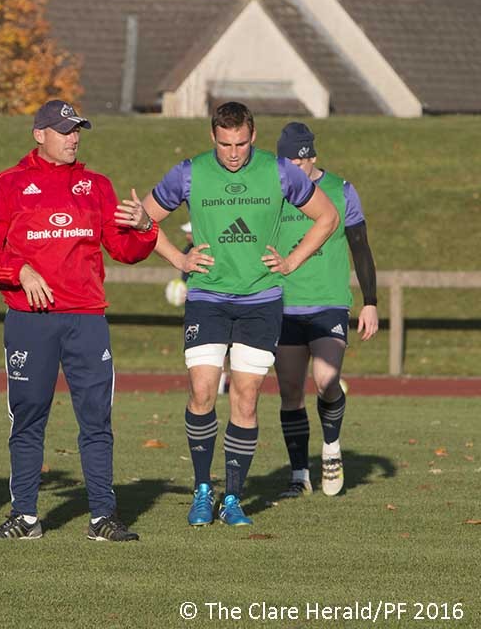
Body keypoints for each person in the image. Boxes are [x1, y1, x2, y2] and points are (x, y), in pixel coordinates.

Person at [142, 101, 339, 527]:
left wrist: (291, 262)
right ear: (212, 137)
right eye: (225, 144)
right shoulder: (189, 173)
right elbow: (144, 219)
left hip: (260, 302)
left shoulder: (279, 171)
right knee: (202, 392)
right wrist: (179, 258)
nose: (233, 153)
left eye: (242, 144)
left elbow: (327, 217)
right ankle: (202, 490)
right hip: (208, 299)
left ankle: (232, 498)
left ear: (254, 137)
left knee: (246, 398)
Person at [0, 99, 158, 541]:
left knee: (96, 419)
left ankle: (102, 517)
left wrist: (145, 226)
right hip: (30, 322)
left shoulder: (96, 186)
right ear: (39, 134)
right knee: (28, 418)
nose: (73, 138)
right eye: (64, 130)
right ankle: (25, 517)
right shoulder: (8, 184)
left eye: (77, 130)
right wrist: (19, 271)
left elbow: (124, 250)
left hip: (86, 320)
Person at [273, 122, 378, 498]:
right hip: (284, 304)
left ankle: (331, 447)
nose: (294, 169)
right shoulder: (272, 191)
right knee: (290, 390)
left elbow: (360, 247)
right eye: (287, 163)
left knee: (326, 380)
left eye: (300, 162)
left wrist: (370, 302)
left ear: (312, 157)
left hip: (329, 302)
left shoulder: (341, 190)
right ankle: (299, 473)